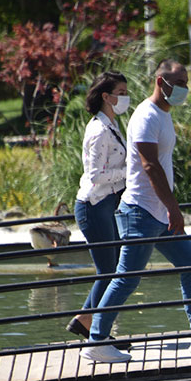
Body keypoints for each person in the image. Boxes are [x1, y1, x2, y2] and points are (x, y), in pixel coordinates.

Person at [81, 59, 191, 362]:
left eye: (186, 83)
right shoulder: (145, 116)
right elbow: (149, 165)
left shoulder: (164, 115)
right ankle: (96, 342)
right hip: (140, 211)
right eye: (179, 83)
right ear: (160, 83)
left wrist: (168, 210)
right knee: (127, 277)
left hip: (158, 213)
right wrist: (174, 209)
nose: (185, 89)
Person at [67, 71, 129, 340]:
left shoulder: (111, 126)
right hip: (93, 205)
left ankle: (88, 323)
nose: (126, 97)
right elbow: (95, 176)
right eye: (122, 93)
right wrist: (129, 173)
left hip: (105, 205)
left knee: (113, 268)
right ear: (106, 96)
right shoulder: (99, 130)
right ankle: (90, 325)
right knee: (109, 270)